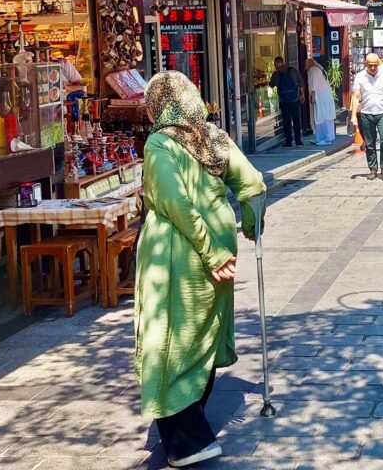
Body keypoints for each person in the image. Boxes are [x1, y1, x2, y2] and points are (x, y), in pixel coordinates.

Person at [135, 71, 266, 468]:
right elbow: (254, 184)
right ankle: (188, 430)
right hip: (219, 244)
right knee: (203, 334)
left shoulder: (160, 142)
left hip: (177, 252)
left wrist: (210, 253)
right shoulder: (214, 138)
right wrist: (249, 225)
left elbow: (175, 203)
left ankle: (186, 440)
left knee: (168, 338)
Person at [350, 53, 383, 181]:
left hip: (382, 112)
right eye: (370, 65)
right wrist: (354, 115)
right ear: (366, 64)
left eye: (375, 65)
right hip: (366, 113)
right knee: (370, 143)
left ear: (378, 64)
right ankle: (372, 168)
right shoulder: (360, 77)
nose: (372, 68)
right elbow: (355, 97)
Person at [269, 57, 304, 147]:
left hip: (283, 101)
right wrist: (302, 94)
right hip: (295, 99)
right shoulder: (293, 70)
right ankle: (298, 141)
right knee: (296, 120)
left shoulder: (276, 74)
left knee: (286, 122)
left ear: (276, 64)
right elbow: (301, 82)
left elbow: (271, 85)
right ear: (283, 62)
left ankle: (288, 142)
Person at [305, 58, 336, 145]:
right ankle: (325, 137)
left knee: (320, 116)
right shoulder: (319, 69)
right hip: (326, 95)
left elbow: (313, 86)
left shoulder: (312, 70)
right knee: (325, 116)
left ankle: (323, 138)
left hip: (320, 96)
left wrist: (312, 99)